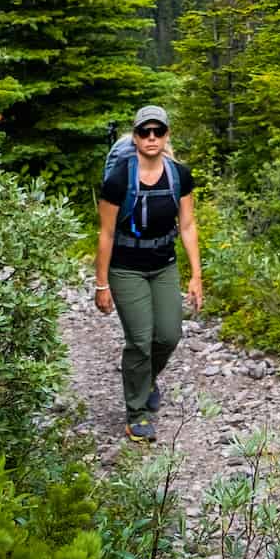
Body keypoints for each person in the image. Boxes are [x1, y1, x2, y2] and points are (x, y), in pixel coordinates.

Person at [93, 104, 202, 442]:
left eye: (157, 131)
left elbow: (187, 225)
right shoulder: (118, 179)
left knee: (169, 335)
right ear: (136, 137)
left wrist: (196, 275)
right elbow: (106, 234)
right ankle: (137, 414)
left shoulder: (179, 175)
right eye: (144, 132)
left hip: (163, 264)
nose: (151, 137)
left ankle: (145, 379)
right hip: (126, 269)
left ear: (166, 135)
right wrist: (101, 284)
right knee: (140, 340)